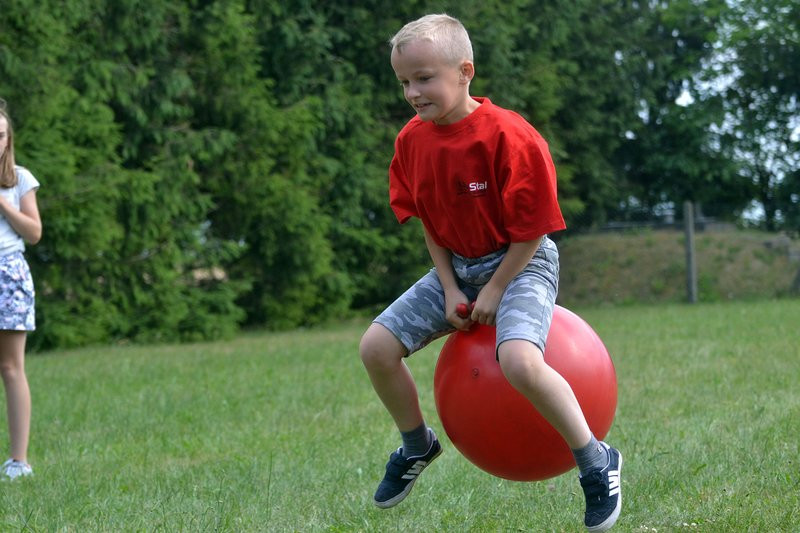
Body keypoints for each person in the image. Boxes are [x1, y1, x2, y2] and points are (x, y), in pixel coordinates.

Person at [359, 14, 622, 531]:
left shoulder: (509, 136)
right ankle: (417, 445)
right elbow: (430, 223)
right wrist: (453, 286)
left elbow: (533, 229)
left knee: (519, 361)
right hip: (458, 267)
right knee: (375, 348)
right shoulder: (412, 142)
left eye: (424, 78)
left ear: (465, 71)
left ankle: (596, 460)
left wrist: (496, 288)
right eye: (404, 82)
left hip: (522, 263)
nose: (413, 92)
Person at [0, 102, 42, 481]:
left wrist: (0, 201)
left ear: (8, 139)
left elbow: (34, 232)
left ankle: (18, 462)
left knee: (11, 367)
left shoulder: (20, 180)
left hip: (9, 276)